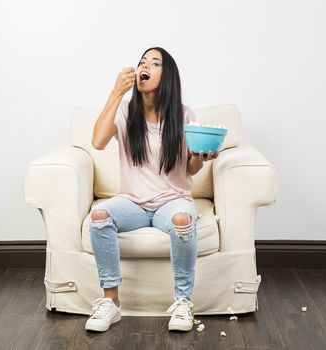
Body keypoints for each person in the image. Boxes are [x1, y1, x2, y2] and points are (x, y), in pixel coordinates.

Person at [85, 47, 219, 332]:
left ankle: (183, 302)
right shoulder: (124, 110)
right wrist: (115, 92)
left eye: (154, 63)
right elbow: (97, 142)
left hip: (173, 200)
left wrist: (200, 157)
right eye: (142, 61)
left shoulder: (183, 115)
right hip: (132, 203)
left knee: (183, 221)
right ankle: (111, 302)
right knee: (99, 216)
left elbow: (190, 168)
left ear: (167, 76)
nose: (145, 65)